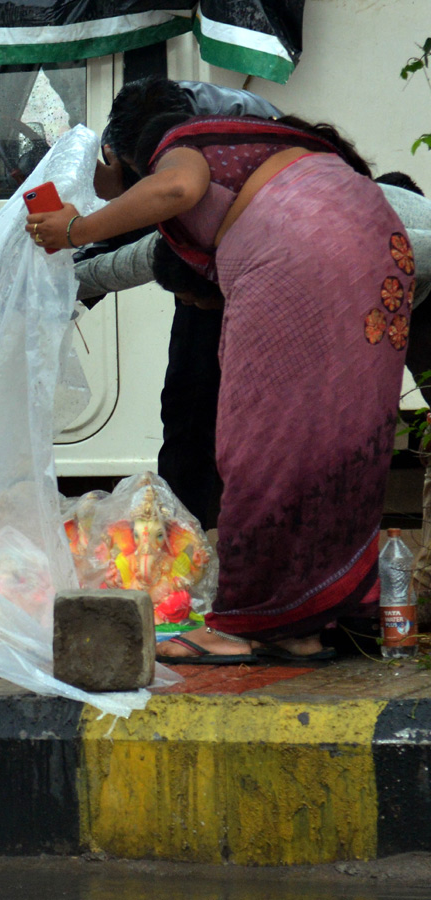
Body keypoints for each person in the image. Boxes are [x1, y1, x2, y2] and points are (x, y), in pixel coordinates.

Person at [27, 111, 414, 663]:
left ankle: (244, 624)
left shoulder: (178, 143)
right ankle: (302, 624)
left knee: (257, 441)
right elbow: (137, 256)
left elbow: (179, 185)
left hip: (300, 248)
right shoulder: (274, 163)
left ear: (119, 156)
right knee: (336, 437)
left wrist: (75, 230)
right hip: (378, 247)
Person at [86, 77, 283, 530]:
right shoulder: (136, 121)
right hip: (230, 263)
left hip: (261, 268)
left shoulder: (212, 143)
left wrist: (77, 233)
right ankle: (185, 535)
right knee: (188, 403)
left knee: (230, 412)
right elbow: (135, 205)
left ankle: (215, 534)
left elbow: (172, 195)